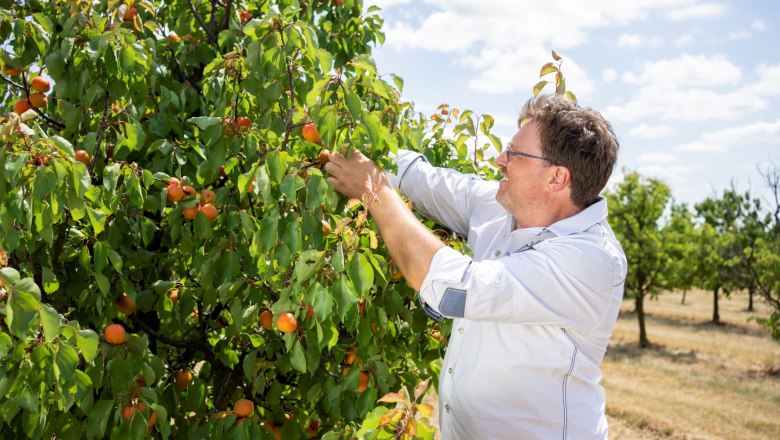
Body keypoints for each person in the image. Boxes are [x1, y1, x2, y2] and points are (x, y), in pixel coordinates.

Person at [324, 94, 627, 440]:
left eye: (515, 154)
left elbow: (454, 288)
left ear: (556, 178)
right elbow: (419, 178)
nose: (500, 160)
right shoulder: (502, 206)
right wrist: (351, 135)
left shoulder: (590, 260)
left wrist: (375, 192)